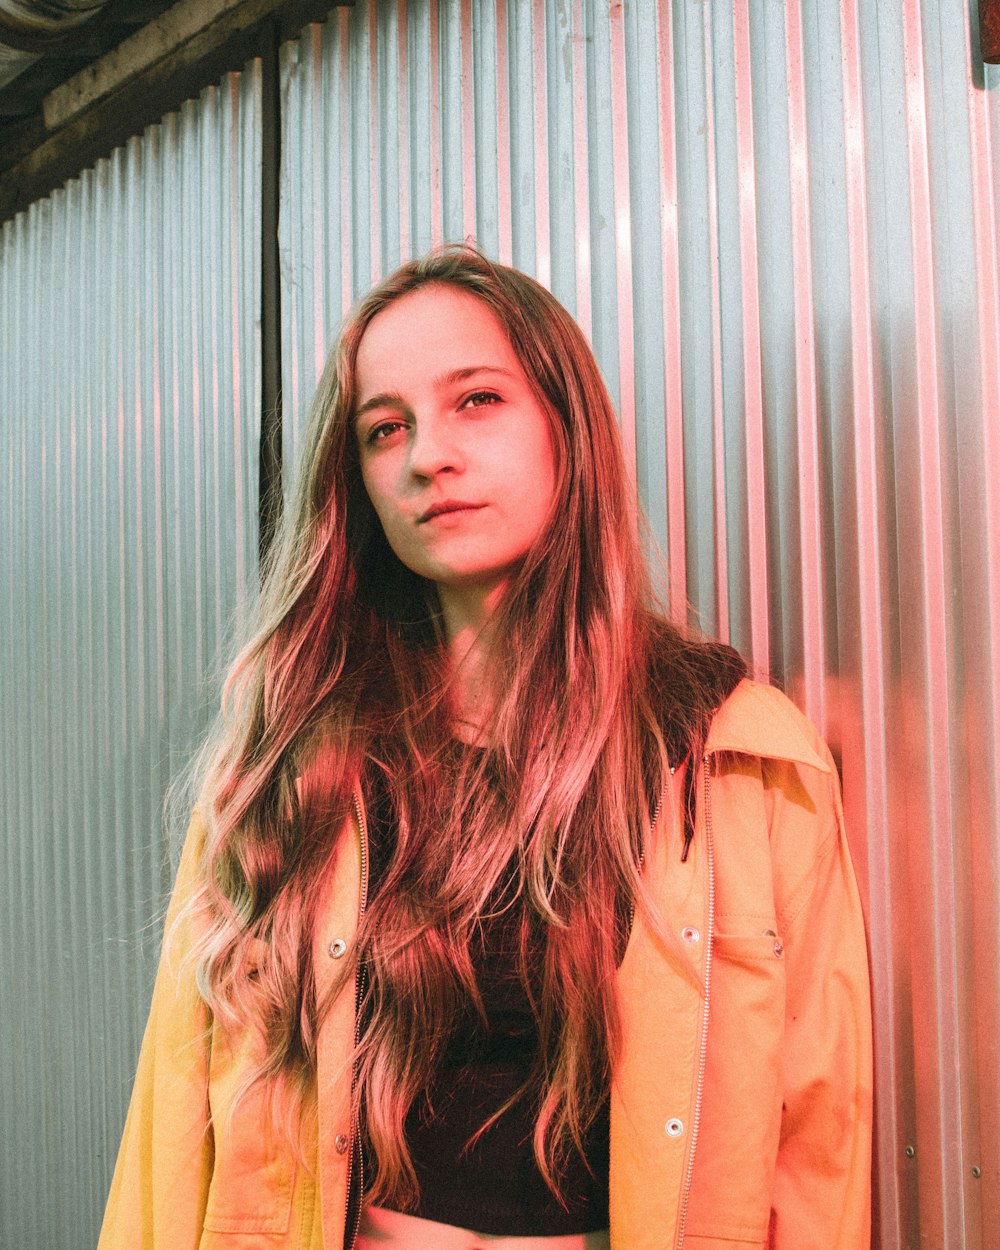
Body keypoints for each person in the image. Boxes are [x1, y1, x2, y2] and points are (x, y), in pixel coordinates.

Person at [98, 245, 873, 1250]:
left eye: (476, 401)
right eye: (386, 428)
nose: (427, 455)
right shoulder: (291, 763)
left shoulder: (733, 753)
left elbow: (817, 1136)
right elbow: (173, 1122)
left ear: (567, 427)